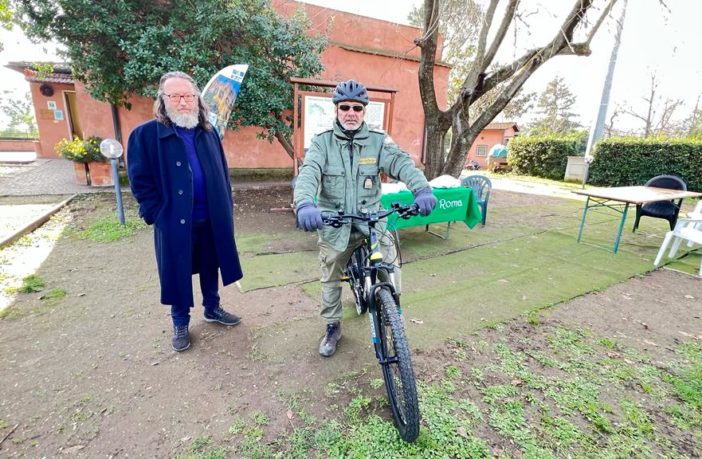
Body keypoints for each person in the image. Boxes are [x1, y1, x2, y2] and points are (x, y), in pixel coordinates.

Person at [293, 79, 437, 357]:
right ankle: (333, 325)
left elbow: (401, 163)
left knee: (390, 264)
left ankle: (393, 313)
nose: (350, 112)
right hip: (335, 223)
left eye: (356, 108)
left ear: (364, 111)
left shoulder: (378, 141)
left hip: (371, 222)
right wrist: (305, 205)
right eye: (344, 107)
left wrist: (421, 189)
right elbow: (309, 173)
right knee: (331, 271)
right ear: (336, 110)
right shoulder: (322, 143)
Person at [127, 71, 243, 352]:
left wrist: (225, 207)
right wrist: (155, 213)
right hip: (175, 221)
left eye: (189, 96)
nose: (183, 102)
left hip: (211, 216)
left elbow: (222, 172)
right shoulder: (145, 136)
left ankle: (212, 308)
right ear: (163, 99)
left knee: (210, 263)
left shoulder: (207, 131)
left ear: (197, 100)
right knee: (177, 270)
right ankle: (180, 321)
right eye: (175, 96)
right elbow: (139, 180)